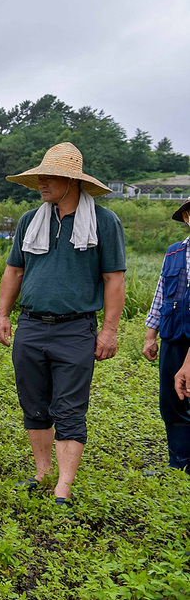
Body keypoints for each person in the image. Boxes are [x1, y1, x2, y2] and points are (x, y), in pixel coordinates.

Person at [0, 142, 125, 511]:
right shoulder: (29, 221)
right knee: (34, 402)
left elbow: (114, 279)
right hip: (32, 326)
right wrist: (3, 315)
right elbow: (14, 271)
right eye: (39, 177)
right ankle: (42, 472)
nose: (41, 184)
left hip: (75, 329)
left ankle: (63, 488)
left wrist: (109, 330)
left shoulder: (103, 222)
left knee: (69, 407)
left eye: (48, 177)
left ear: (71, 181)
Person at [142, 195, 190, 472]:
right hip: (173, 336)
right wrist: (151, 335)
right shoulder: (173, 252)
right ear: (186, 217)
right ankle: (179, 465)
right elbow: (161, 295)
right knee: (173, 398)